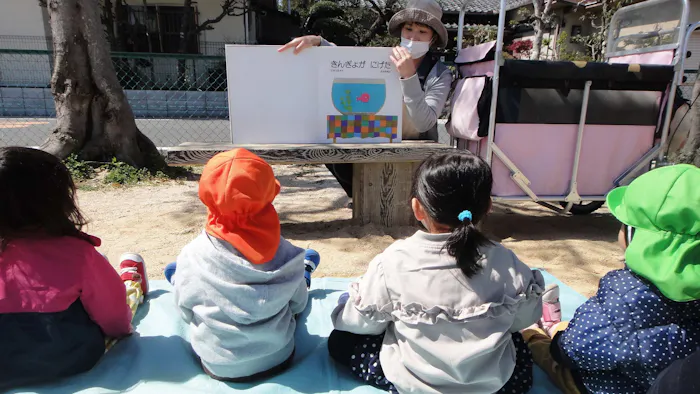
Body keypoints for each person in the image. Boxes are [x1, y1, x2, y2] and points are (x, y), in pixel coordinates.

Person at [326, 151, 545, 393]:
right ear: (488, 206)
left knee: (340, 341)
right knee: (516, 343)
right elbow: (524, 318)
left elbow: (360, 324)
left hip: (415, 383)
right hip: (495, 383)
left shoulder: (393, 262)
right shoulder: (506, 261)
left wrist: (348, 304)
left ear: (417, 208)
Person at [522, 164, 700, 394]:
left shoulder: (623, 293)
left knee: (547, 346)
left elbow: (573, 350)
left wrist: (558, 346)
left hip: (602, 385)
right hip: (654, 381)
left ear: (635, 235)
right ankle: (556, 326)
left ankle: (535, 330)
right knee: (590, 330)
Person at [0, 147, 149, 390]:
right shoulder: (79, 254)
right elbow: (114, 318)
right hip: (69, 358)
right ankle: (131, 278)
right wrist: (122, 331)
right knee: (122, 302)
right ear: (56, 200)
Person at [279, 0, 454, 201]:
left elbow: (425, 122)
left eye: (422, 32)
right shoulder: (382, 57)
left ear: (432, 39)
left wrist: (409, 77)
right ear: (401, 31)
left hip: (416, 142)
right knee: (333, 151)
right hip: (375, 133)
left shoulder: (439, 73)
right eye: (408, 29)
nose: (413, 37)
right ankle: (361, 198)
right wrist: (318, 42)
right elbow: (349, 61)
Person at [171, 148, 321, 382]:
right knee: (297, 283)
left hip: (218, 364)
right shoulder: (287, 254)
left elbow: (184, 309)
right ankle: (307, 270)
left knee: (184, 276)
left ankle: (174, 276)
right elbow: (298, 305)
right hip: (278, 356)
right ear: (268, 194)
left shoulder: (193, 255)